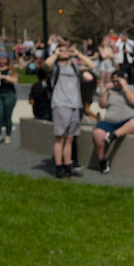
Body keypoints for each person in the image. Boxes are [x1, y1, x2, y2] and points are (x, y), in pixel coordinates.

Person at [45, 42, 97, 178]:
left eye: (66, 50)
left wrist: (78, 54)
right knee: (59, 138)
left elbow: (92, 66)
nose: (65, 52)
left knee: (69, 138)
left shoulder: (75, 66)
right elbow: (47, 64)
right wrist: (57, 53)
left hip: (76, 105)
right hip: (60, 104)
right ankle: (58, 167)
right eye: (62, 50)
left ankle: (68, 166)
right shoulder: (56, 67)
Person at [93, 70, 134, 173]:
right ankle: (102, 161)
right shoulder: (110, 90)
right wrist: (106, 91)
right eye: (113, 81)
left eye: (117, 81)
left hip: (129, 120)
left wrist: (125, 87)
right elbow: (102, 105)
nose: (115, 83)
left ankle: (113, 135)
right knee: (97, 133)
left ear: (124, 79)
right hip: (110, 121)